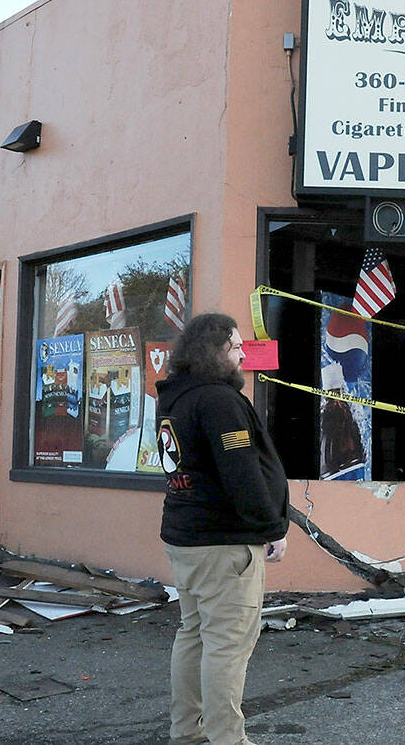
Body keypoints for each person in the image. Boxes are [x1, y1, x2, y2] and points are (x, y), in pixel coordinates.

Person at [157, 313, 289, 745]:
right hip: (223, 544)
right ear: (215, 352)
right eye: (236, 347)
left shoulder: (176, 398)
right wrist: (272, 527)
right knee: (226, 645)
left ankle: (187, 734)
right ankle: (227, 740)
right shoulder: (218, 401)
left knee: (194, 634)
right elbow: (241, 473)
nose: (242, 356)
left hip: (187, 538)